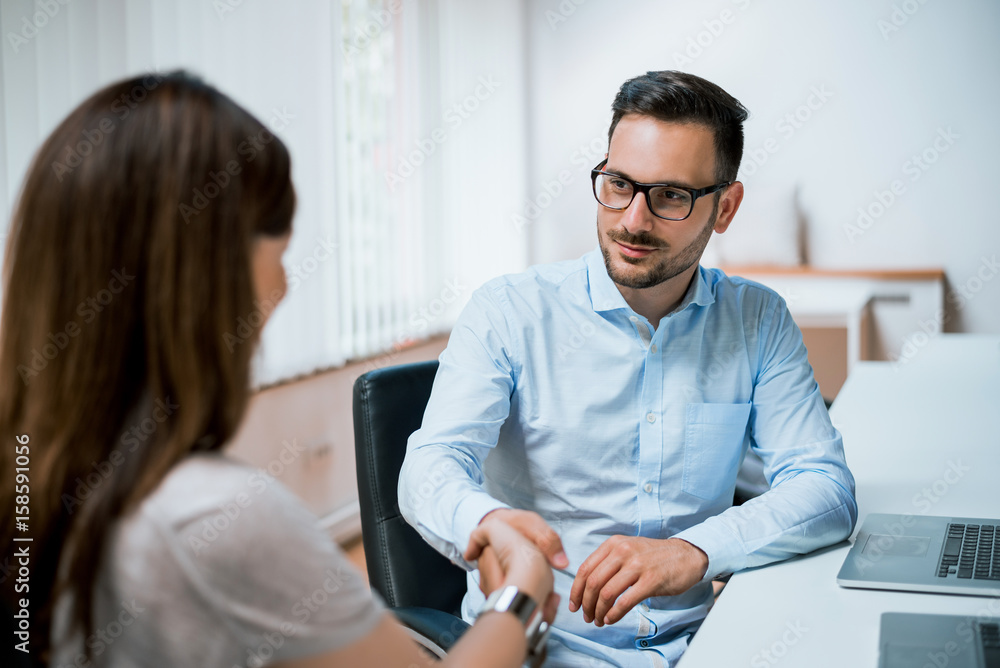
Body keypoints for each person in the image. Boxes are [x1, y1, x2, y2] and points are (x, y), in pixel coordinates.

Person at [0, 71, 555, 668]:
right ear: (205, 277)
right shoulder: (215, 518)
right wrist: (522, 595)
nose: (285, 287)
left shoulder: (30, 471)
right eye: (279, 253)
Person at [399, 70, 858, 668]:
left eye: (671, 195)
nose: (633, 221)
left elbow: (825, 486)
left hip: (706, 643)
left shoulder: (756, 319)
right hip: (547, 650)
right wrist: (486, 521)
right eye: (619, 184)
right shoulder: (510, 312)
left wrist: (693, 550)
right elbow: (429, 466)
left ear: (726, 208)